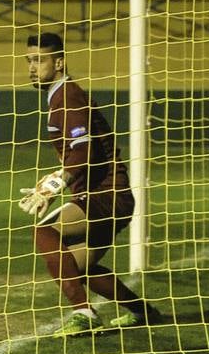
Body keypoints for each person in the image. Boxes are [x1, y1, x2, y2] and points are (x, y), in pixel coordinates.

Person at [19, 31, 162, 335]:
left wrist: (55, 186)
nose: (32, 66)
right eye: (29, 60)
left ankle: (84, 313)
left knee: (44, 233)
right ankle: (142, 312)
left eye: (40, 60)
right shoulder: (60, 96)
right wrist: (53, 179)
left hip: (107, 195)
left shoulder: (67, 95)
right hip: (110, 197)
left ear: (58, 62)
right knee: (74, 266)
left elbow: (84, 151)